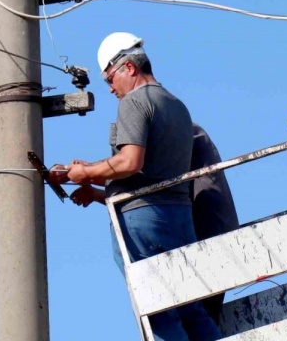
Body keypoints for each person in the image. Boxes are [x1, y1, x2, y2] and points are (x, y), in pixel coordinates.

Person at [50, 32, 222, 341]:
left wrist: (83, 173)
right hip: (179, 219)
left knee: (159, 310)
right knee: (191, 308)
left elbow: (130, 162)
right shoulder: (177, 106)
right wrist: (99, 192)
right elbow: (153, 175)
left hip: (144, 222)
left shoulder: (135, 102)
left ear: (128, 68)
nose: (111, 88)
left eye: (110, 78)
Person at [67, 123, 240, 327]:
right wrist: (93, 186)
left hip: (204, 234)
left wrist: (86, 171)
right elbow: (145, 190)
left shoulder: (175, 130)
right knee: (194, 318)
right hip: (198, 233)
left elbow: (134, 169)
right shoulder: (173, 133)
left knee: (192, 318)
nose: (111, 89)